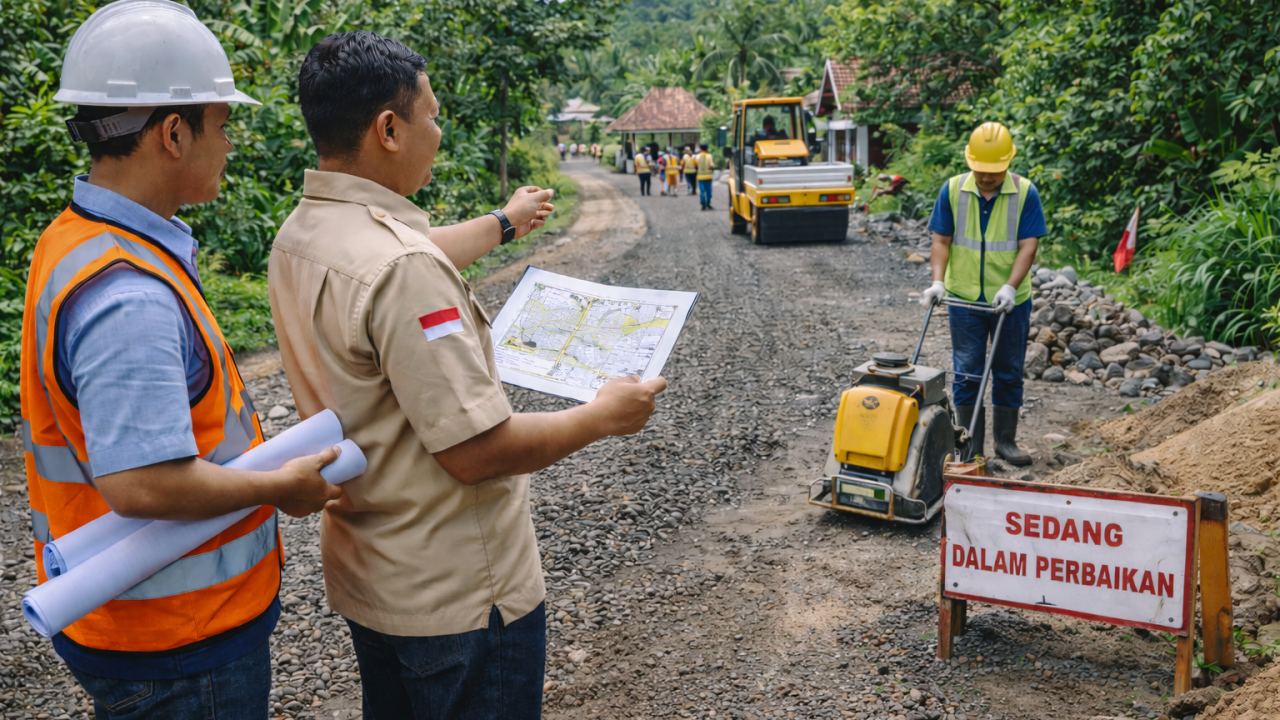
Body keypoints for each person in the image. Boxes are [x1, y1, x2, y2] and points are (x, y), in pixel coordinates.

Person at [272, 31, 668, 719]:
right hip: (459, 596)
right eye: (431, 114)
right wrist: (603, 416)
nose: (440, 130)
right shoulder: (403, 271)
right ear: (388, 129)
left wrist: (504, 224)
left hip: (375, 575)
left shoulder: (304, 234)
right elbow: (476, 450)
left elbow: (402, 252)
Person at [20, 2, 344, 717]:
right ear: (173, 133)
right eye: (222, 126)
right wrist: (278, 487)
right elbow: (143, 485)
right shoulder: (126, 293)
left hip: (145, 626)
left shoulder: (78, 237)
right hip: (173, 645)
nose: (228, 144)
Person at [919, 122, 1046, 467]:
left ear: (1008, 163)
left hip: (1010, 301)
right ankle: (969, 445)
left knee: (1007, 369)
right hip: (964, 299)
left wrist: (1010, 285)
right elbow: (941, 241)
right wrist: (937, 281)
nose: (987, 178)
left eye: (994, 172)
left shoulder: (1025, 193)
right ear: (969, 161)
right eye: (981, 171)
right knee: (967, 372)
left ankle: (1006, 441)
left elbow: (1028, 245)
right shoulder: (952, 190)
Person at [696, 142, 716, 210]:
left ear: (700, 148)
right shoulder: (709, 156)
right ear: (707, 148)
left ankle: (703, 204)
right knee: (709, 191)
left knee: (702, 191)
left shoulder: (697, 156)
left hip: (700, 177)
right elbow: (712, 165)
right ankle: (708, 203)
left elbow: (695, 165)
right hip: (708, 177)